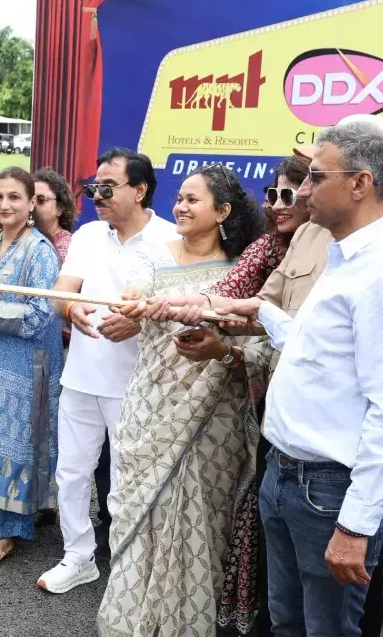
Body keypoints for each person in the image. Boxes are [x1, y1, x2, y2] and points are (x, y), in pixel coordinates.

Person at [211, 119, 383, 637]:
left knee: (328, 629)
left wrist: (354, 526)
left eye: (316, 176)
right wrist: (257, 313)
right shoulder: (346, 255)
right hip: (290, 476)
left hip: (330, 491)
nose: (303, 190)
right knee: (288, 622)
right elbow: (321, 352)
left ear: (360, 183)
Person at [94, 164, 267, 637]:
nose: (181, 207)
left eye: (193, 200)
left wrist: (223, 348)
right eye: (180, 198)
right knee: (140, 516)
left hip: (215, 418)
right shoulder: (153, 257)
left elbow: (261, 346)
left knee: (203, 524)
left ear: (223, 212)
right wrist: (134, 304)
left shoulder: (244, 277)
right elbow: (136, 291)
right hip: (150, 409)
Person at [148, 151, 310, 634]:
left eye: (291, 195)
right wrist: (170, 305)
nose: (279, 205)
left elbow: (254, 320)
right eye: (272, 195)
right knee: (261, 520)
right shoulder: (268, 250)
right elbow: (228, 296)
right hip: (264, 402)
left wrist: (221, 335)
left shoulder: (324, 248)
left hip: (300, 407)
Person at [37, 148, 176, 595]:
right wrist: (70, 307)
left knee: (127, 479)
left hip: (138, 385)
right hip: (79, 377)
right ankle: (79, 557)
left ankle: (129, 562)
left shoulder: (171, 240)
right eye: (94, 186)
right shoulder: (89, 235)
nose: (97, 194)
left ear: (139, 190)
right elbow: (60, 292)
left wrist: (142, 319)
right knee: (72, 473)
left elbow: (181, 313)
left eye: (109, 186)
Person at [0, 166, 64, 571]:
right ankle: (7, 516)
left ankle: (6, 533)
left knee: (17, 444)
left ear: (31, 205)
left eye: (15, 198)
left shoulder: (40, 250)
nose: (4, 205)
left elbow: (41, 314)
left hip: (25, 364)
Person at [32, 169, 76, 262]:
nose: (33, 205)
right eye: (30, 199)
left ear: (60, 208)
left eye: (41, 199)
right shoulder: (26, 237)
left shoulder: (67, 247)